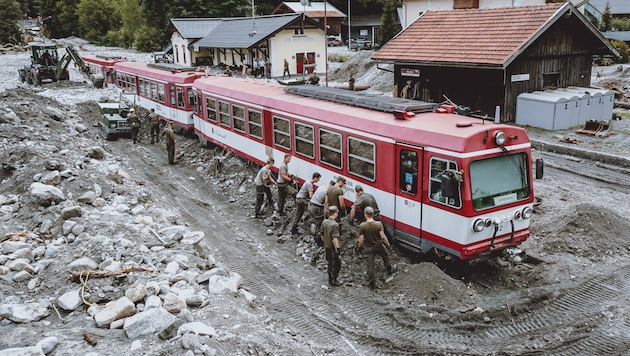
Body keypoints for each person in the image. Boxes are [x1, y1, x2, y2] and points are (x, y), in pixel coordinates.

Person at [358, 207, 396, 289]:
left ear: (365, 214)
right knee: (385, 256)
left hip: (368, 248)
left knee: (370, 265)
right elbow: (383, 237)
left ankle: (372, 284)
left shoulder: (362, 226)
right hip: (379, 246)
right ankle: (389, 270)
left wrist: (360, 247)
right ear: (372, 214)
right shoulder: (378, 224)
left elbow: (361, 239)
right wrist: (388, 245)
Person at [321, 206, 343, 287]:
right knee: (336, 264)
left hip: (327, 246)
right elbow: (335, 238)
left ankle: (330, 279)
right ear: (335, 213)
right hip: (333, 247)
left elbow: (322, 234)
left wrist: (325, 242)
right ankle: (334, 280)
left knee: (330, 262)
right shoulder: (335, 225)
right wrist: (338, 248)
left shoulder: (324, 222)